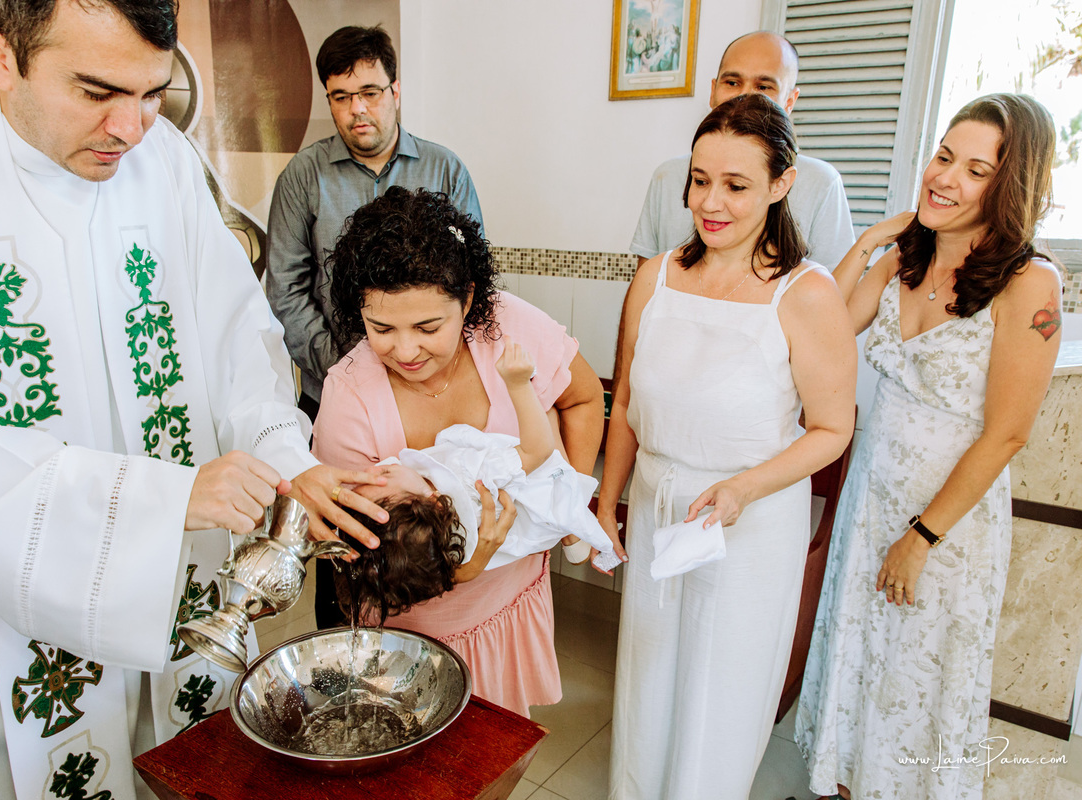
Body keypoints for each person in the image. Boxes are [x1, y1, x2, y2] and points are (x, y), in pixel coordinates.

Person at [0, 2, 388, 799]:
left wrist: (289, 463)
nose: (132, 128)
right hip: (9, 614)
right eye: (96, 92)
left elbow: (236, 340)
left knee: (187, 766)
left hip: (181, 588)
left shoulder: (166, 163)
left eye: (154, 92)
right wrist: (159, 500)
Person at [795, 94, 1061, 800]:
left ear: (1007, 189)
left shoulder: (1029, 283)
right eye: (944, 156)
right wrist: (871, 241)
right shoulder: (899, 263)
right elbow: (823, 334)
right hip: (869, 503)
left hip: (946, 529)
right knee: (858, 671)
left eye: (975, 170)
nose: (944, 177)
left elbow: (1007, 431)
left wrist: (921, 537)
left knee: (915, 686)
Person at [599, 93, 857, 799]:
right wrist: (607, 502)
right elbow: (623, 403)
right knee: (648, 682)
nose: (710, 202)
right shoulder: (654, 277)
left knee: (720, 691)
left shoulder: (806, 293)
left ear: (781, 184)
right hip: (659, 507)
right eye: (699, 179)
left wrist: (744, 487)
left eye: (736, 185)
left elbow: (833, 430)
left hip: (748, 518)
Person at [313, 186, 606, 717]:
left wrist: (566, 501)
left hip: (510, 609)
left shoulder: (506, 328)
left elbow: (584, 397)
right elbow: (357, 566)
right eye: (381, 328)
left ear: (469, 300)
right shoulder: (349, 396)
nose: (405, 351)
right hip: (412, 637)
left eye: (428, 327)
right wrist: (468, 569)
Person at [264, 24, 483, 628]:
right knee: (346, 546)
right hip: (332, 395)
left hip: (432, 402)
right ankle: (342, 664)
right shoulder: (303, 179)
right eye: (340, 96)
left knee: (429, 535)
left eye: (370, 91)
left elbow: (472, 283)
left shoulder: (445, 169)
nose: (357, 109)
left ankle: (432, 660)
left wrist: (425, 362)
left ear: (396, 91)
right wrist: (345, 370)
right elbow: (285, 291)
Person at [342, 341, 620, 622]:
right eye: (384, 477)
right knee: (546, 413)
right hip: (538, 487)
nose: (376, 471)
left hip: (511, 535)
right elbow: (537, 450)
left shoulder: (428, 544)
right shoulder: (472, 479)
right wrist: (519, 385)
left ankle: (570, 528)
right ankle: (571, 529)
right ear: (434, 502)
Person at [629, 31, 855, 271]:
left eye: (763, 86)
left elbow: (836, 289)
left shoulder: (822, 182)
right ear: (713, 90)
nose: (745, 96)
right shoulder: (666, 176)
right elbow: (647, 286)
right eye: (732, 83)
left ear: (790, 101)